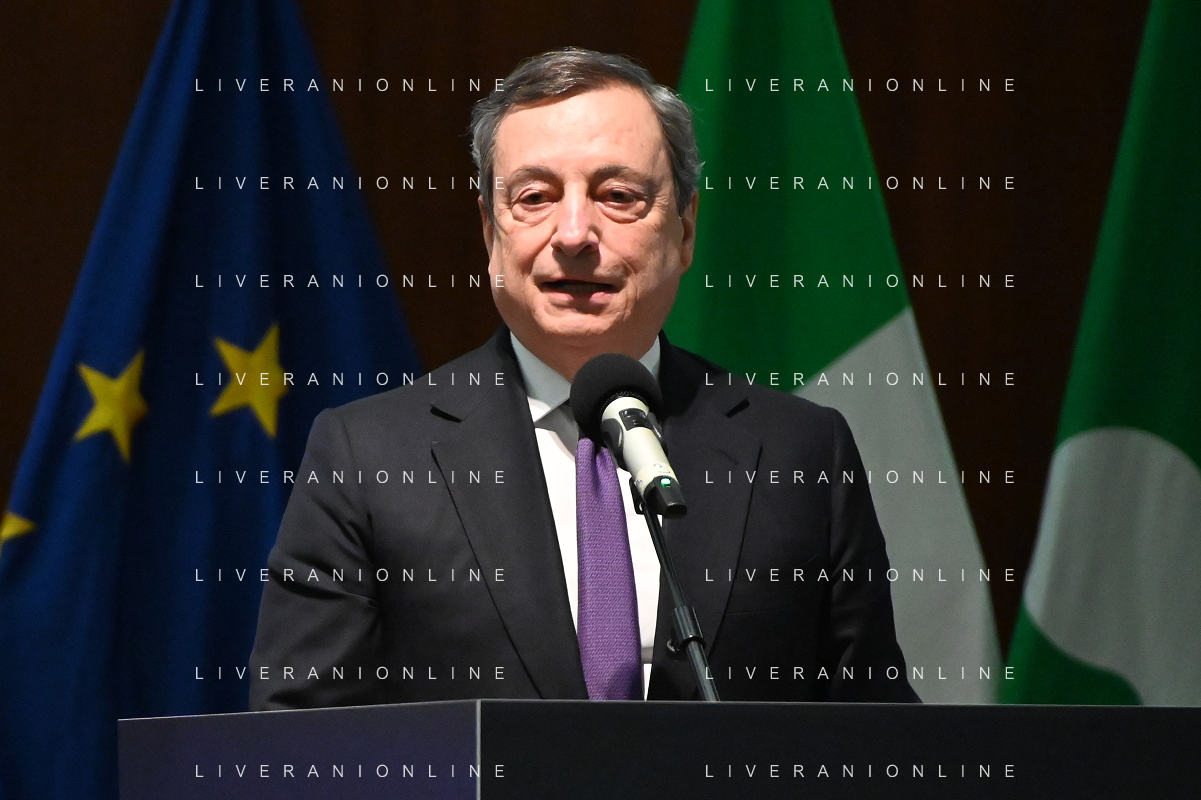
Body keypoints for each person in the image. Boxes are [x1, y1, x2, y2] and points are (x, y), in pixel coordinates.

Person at [248, 48, 919, 708]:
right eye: (534, 197)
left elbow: (874, 738)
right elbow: (299, 740)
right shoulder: (367, 456)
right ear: (489, 233)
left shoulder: (801, 451)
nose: (573, 234)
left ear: (685, 230)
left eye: (617, 196)